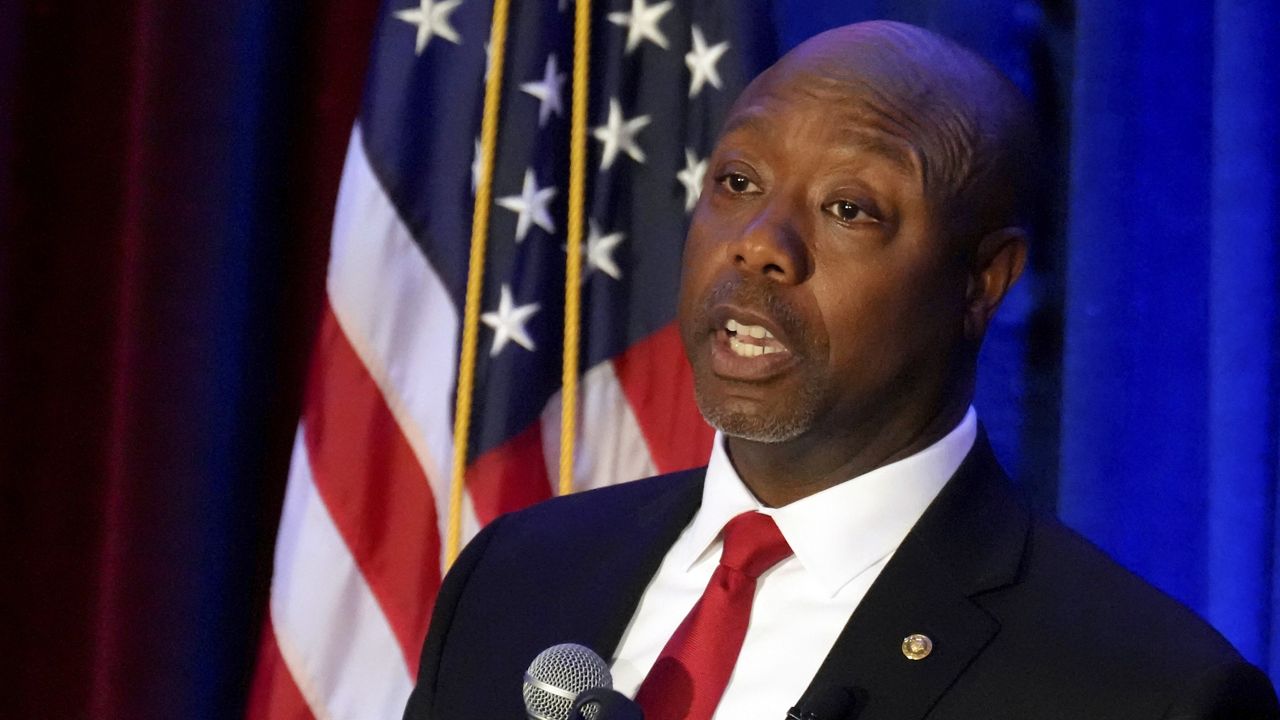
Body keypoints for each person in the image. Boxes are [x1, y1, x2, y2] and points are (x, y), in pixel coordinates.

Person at [402, 20, 1279, 720]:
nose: (760, 248)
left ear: (982, 282)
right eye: (739, 183)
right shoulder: (515, 578)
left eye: (848, 209)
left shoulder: (1144, 693)